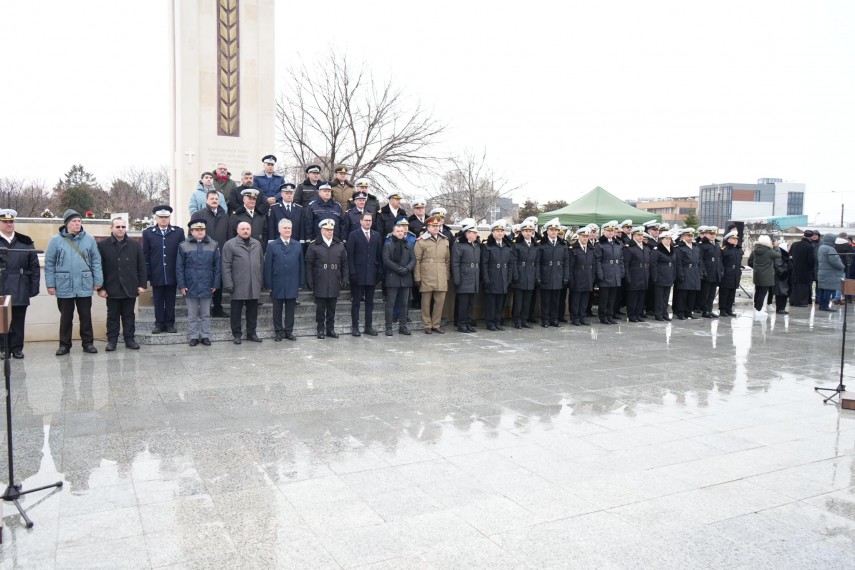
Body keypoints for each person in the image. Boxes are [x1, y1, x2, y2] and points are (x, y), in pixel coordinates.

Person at [45, 209, 103, 355]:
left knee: (86, 316)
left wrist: (98, 281)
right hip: (64, 285)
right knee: (66, 318)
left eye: (79, 221)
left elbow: (96, 261)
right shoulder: (55, 241)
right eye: (74, 221)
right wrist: (50, 284)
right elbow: (49, 263)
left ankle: (88, 344)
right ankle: (64, 345)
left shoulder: (89, 240)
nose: (77, 223)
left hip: (84, 284)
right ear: (67, 224)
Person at [97, 217, 146, 351]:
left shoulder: (135, 245)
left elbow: (141, 266)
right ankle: (112, 340)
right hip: (112, 288)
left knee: (129, 315)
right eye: (117, 227)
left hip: (130, 287)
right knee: (112, 316)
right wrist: (101, 288)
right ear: (111, 228)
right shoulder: (102, 245)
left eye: (123, 227)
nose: (120, 229)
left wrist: (142, 284)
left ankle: (129, 339)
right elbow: (99, 267)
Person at [0, 209, 40, 358]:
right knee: (1, 320)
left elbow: (34, 266)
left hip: (20, 285)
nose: (9, 224)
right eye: (5, 222)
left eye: (11, 221)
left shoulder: (25, 241)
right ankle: (3, 348)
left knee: (18, 319)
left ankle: (17, 348)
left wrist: (34, 287)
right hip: (1, 285)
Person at [176, 218, 221, 346]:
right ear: (192, 231)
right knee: (192, 314)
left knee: (206, 313)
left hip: (207, 283)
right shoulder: (183, 246)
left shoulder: (213, 245)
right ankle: (194, 336)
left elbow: (217, 267)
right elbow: (179, 267)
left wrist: (215, 284)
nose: (200, 232)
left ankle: (205, 335)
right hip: (190, 284)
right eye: (197, 229)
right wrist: (182, 285)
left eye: (202, 229)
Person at [143, 205, 185, 334]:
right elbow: (146, 254)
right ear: (156, 217)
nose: (163, 220)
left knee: (170, 300)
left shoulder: (178, 232)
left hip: (172, 273)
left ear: (169, 218)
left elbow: (182, 253)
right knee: (158, 300)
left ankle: (170, 324)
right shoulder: (148, 233)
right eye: (161, 217)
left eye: (166, 217)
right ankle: (159, 324)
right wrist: (148, 274)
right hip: (157, 273)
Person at [222, 221, 264, 343]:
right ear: (237, 231)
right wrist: (228, 283)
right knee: (236, 312)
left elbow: (261, 263)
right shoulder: (230, 245)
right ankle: (237, 334)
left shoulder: (257, 244)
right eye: (243, 229)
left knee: (252, 312)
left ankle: (252, 333)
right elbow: (225, 266)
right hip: (237, 284)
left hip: (253, 284)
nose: (245, 231)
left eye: (247, 229)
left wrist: (259, 281)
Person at [305, 218, 348, 339]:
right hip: (320, 281)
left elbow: (345, 264)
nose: (330, 232)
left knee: (332, 308)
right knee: (320, 308)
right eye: (327, 230)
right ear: (321, 230)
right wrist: (309, 280)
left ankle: (330, 329)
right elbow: (308, 265)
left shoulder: (339, 246)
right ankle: (320, 329)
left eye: (331, 230)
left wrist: (345, 278)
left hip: (334, 280)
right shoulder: (314, 246)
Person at [264, 218, 304, 341]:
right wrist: (268, 284)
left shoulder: (297, 245)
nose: (287, 230)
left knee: (290, 310)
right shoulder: (272, 245)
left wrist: (301, 282)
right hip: (277, 282)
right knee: (277, 309)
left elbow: (301, 265)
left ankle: (288, 331)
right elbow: (268, 266)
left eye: (289, 228)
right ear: (279, 230)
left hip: (292, 282)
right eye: (285, 228)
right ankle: (278, 332)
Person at [193, 189, 230, 317]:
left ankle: (217, 307)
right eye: (212, 198)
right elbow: (191, 235)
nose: (214, 201)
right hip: (203, 253)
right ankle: (205, 308)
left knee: (218, 281)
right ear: (206, 200)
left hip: (220, 252)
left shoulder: (224, 215)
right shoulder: (198, 214)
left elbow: (229, 235)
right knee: (205, 281)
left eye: (216, 199)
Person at [346, 212, 382, 336]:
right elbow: (350, 255)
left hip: (371, 274)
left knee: (370, 303)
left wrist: (379, 272)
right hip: (358, 274)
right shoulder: (354, 235)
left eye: (370, 220)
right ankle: (355, 327)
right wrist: (352, 272)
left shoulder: (376, 235)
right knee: (356, 302)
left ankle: (368, 326)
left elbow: (379, 255)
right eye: (366, 220)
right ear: (360, 221)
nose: (368, 222)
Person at [414, 215, 450, 334]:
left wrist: (447, 274)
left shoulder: (444, 240)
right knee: (426, 302)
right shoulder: (421, 241)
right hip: (427, 274)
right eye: (433, 226)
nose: (436, 228)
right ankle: (427, 325)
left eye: (438, 226)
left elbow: (447, 260)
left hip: (441, 274)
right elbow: (417, 260)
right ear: (428, 227)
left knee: (439, 302)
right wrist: (417, 276)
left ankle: (436, 324)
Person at [382, 218, 416, 336]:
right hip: (393, 277)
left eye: (402, 231)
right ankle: (389, 327)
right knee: (390, 304)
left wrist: (407, 269)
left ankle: (403, 326)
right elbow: (386, 260)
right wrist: (398, 269)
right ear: (393, 232)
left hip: (406, 278)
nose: (400, 233)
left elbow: (413, 259)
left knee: (404, 303)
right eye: (398, 231)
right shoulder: (388, 244)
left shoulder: (408, 245)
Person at [537, 218, 570, 327]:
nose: (554, 232)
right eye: (551, 230)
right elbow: (538, 262)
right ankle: (545, 319)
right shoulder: (542, 245)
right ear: (547, 231)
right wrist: (539, 276)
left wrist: (565, 277)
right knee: (546, 300)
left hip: (558, 275)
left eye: (556, 230)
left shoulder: (562, 245)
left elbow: (566, 262)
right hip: (546, 275)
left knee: (556, 300)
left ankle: (554, 319)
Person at [481, 220, 513, 331]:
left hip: (503, 278)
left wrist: (509, 278)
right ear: (492, 233)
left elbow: (510, 264)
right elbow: (484, 265)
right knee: (491, 303)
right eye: (497, 231)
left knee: (500, 303)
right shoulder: (488, 246)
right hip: (492, 278)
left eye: (502, 231)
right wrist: (486, 279)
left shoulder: (507, 246)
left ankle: (497, 321)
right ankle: (490, 323)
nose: (500, 233)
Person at [452, 220, 481, 333]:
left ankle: (468, 323)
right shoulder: (459, 245)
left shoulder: (477, 246)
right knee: (463, 304)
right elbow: (455, 264)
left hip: (473, 278)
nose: (475, 234)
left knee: (470, 303)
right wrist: (457, 279)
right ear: (467, 233)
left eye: (476, 232)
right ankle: (461, 324)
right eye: (473, 232)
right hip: (464, 278)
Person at [594, 220, 624, 325]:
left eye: (612, 230)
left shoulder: (617, 243)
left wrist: (621, 271)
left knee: (612, 298)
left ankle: (610, 315)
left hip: (615, 274)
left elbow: (621, 259)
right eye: (608, 231)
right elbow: (597, 261)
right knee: (604, 298)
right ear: (604, 232)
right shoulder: (600, 244)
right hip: (605, 274)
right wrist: (600, 274)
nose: (611, 232)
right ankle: (603, 316)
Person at [510, 219, 538, 329]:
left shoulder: (535, 246)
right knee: (518, 301)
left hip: (530, 275)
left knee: (527, 301)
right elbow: (513, 262)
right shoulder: (517, 245)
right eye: (525, 231)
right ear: (521, 232)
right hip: (520, 275)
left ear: (533, 232)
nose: (528, 233)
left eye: (530, 231)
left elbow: (537, 263)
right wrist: (515, 275)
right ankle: (517, 320)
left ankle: (524, 320)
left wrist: (536, 276)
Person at [747, 235, 781, 315]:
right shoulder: (769, 251)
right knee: (762, 293)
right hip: (766, 276)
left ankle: (756, 308)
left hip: (757, 274)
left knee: (758, 292)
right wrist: (776, 247)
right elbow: (778, 255)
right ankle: (759, 310)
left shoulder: (755, 250)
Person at [674, 228, 703, 319]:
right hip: (686, 271)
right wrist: (681, 275)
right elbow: (678, 263)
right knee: (683, 294)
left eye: (691, 236)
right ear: (683, 237)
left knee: (692, 294)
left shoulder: (695, 247)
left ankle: (689, 312)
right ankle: (681, 312)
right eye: (688, 236)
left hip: (694, 272)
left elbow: (699, 262)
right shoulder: (679, 248)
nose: (690, 238)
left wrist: (700, 273)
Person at [623, 227, 651, 322]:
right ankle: (632, 315)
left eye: (641, 235)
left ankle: (638, 314)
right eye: (638, 235)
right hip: (634, 276)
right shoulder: (629, 248)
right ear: (633, 236)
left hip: (644, 276)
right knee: (633, 297)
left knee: (641, 297)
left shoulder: (645, 248)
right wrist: (627, 276)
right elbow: (626, 264)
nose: (640, 237)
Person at [568, 226, 595, 326]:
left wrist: (592, 277)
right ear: (579, 236)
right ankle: (575, 318)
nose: (585, 238)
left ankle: (582, 317)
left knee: (584, 300)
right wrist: (571, 280)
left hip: (587, 277)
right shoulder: (573, 249)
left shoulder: (591, 249)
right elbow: (570, 266)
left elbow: (594, 265)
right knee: (576, 300)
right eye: (583, 236)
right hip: (577, 278)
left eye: (587, 237)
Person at [698, 227, 723, 318]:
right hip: (707, 273)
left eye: (714, 234)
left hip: (715, 273)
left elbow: (719, 259)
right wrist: (703, 271)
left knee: (712, 293)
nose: (712, 236)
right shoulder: (702, 245)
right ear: (705, 234)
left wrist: (721, 270)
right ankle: (705, 311)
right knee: (705, 293)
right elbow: (701, 260)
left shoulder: (716, 245)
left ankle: (710, 309)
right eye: (710, 234)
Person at [650, 231, 676, 321]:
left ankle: (665, 313)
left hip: (669, 276)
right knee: (659, 297)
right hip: (660, 276)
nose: (668, 240)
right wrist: (655, 277)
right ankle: (658, 314)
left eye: (670, 238)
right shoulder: (657, 249)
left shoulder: (672, 248)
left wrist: (673, 276)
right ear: (662, 239)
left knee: (666, 297)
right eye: (666, 238)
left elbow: (674, 263)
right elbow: (653, 264)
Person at [816, 232, 845, 311]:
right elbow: (834, 261)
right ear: (831, 240)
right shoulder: (830, 249)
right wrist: (842, 266)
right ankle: (825, 306)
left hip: (823, 272)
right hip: (830, 274)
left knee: (823, 290)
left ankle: (821, 305)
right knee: (828, 290)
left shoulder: (822, 247)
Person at [718, 230, 742, 317]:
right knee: (724, 293)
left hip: (735, 274)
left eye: (736, 239)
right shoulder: (724, 249)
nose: (735, 240)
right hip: (727, 274)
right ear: (728, 239)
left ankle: (729, 309)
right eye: (733, 239)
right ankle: (722, 309)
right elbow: (720, 262)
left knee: (732, 293)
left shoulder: (738, 249)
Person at [789, 230, 816, 307]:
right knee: (803, 287)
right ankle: (801, 302)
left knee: (795, 285)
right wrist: (811, 267)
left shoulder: (795, 244)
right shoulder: (809, 247)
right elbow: (811, 260)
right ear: (811, 237)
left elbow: (790, 255)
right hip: (805, 270)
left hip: (794, 268)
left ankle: (793, 301)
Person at [770, 235, 793, 315]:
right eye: (789, 246)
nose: (790, 248)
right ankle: (780, 309)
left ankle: (782, 308)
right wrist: (782, 272)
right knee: (780, 293)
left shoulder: (786, 254)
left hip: (785, 276)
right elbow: (777, 264)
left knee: (784, 293)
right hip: (781, 277)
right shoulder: (780, 253)